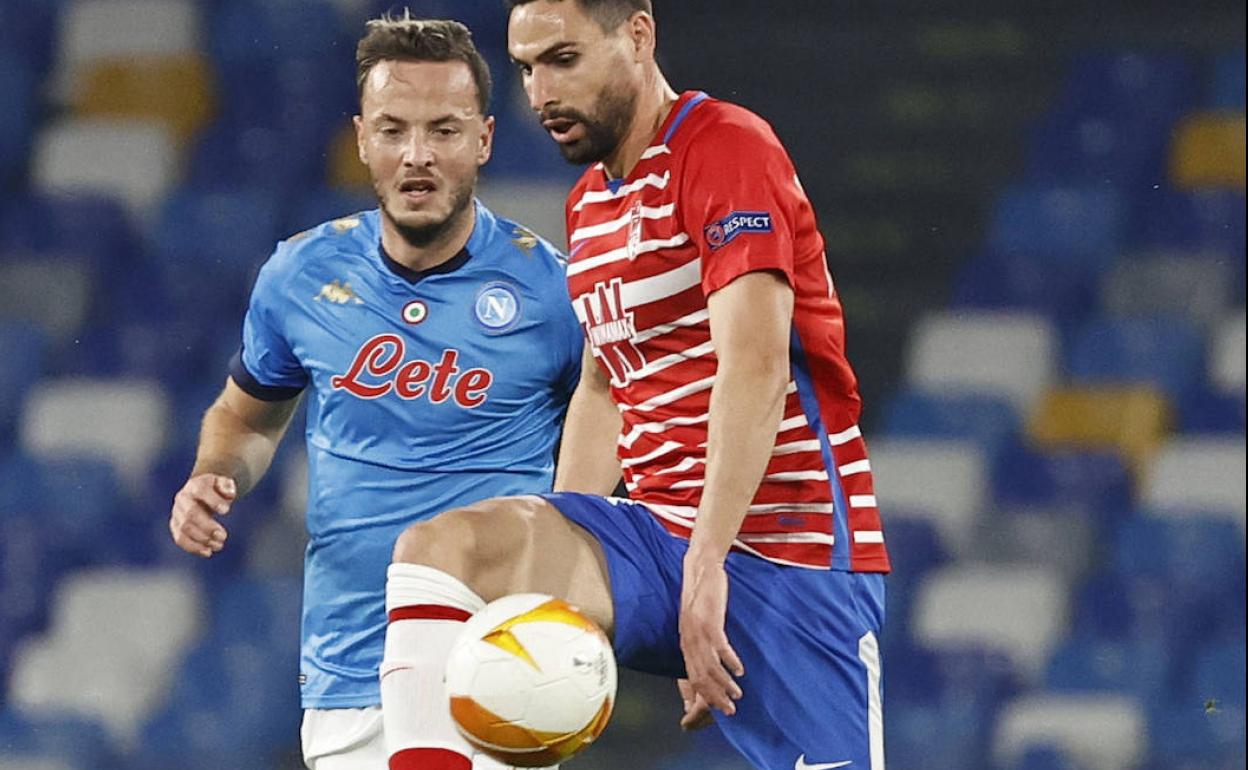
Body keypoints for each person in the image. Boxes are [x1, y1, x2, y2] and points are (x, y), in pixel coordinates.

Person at [379, 1, 892, 769]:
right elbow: (601, 386)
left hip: (790, 552)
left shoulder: (724, 149)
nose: (540, 93)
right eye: (524, 68)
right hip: (655, 543)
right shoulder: (590, 203)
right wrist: (566, 535)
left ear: (638, 36)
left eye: (563, 60)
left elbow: (756, 366)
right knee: (441, 549)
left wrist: (706, 571)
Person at [167, 15, 583, 770]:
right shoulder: (299, 276)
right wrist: (214, 473)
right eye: (394, 130)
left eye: (444, 131)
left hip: (499, 668)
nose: (417, 155)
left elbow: (619, 437)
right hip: (345, 675)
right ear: (362, 138)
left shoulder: (553, 291)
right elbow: (246, 417)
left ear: (484, 139)